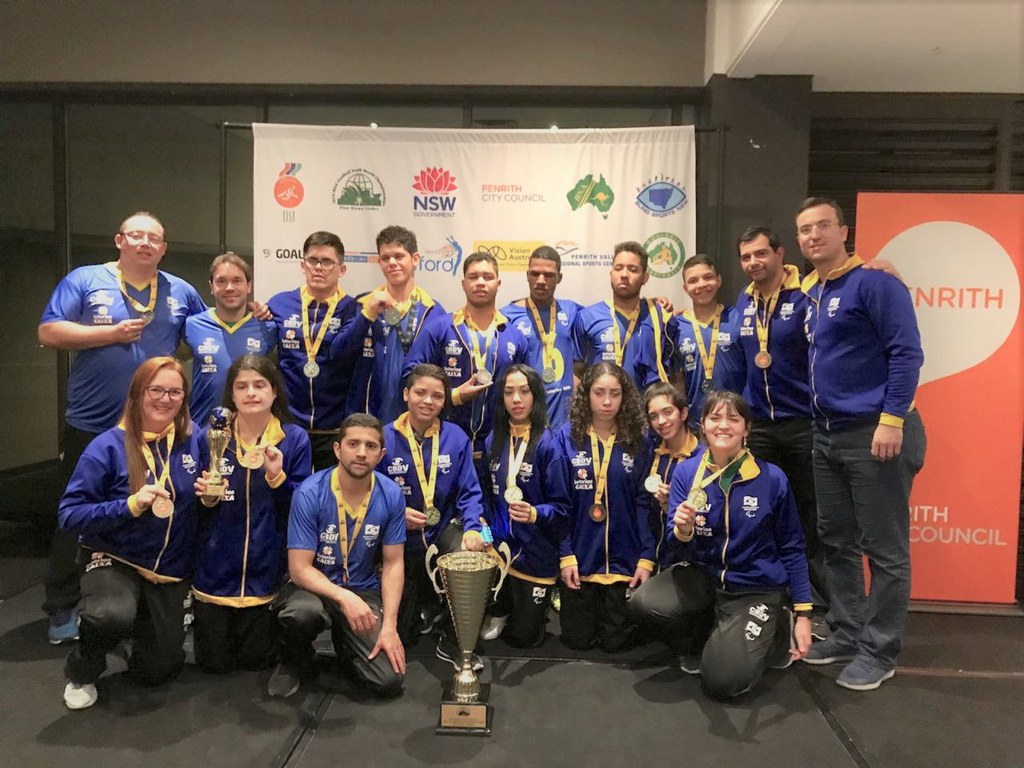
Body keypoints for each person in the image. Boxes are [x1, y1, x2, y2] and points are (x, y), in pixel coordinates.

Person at [38, 211, 207, 644]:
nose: (145, 243)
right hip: (94, 423)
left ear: (164, 248)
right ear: (119, 240)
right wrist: (109, 335)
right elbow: (49, 331)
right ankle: (61, 605)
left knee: (158, 505)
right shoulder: (86, 279)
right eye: (136, 235)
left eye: (155, 237)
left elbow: (208, 331)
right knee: (75, 513)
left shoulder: (180, 291)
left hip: (156, 425)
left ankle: (146, 596)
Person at [795, 197, 926, 691]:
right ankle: (848, 632)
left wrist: (891, 419)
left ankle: (880, 649)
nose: (813, 236)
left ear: (843, 230)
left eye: (822, 226)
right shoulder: (809, 289)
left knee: (885, 550)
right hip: (826, 434)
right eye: (805, 229)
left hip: (876, 433)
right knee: (837, 541)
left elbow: (907, 352)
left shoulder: (876, 282)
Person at [57, 357, 204, 710]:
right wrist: (128, 505)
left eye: (175, 392)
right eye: (156, 390)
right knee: (109, 615)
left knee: (158, 670)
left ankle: (134, 628)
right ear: (138, 393)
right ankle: (83, 668)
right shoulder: (106, 446)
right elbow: (69, 515)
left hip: (167, 570)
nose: (165, 399)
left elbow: (205, 490)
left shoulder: (194, 439)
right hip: (114, 559)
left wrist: (210, 495)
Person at [652, 390, 813, 700]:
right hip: (706, 580)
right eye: (715, 418)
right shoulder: (687, 473)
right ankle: (716, 633)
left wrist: (804, 612)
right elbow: (675, 550)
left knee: (722, 682)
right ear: (702, 426)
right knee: (647, 604)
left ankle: (778, 625)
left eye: (733, 419)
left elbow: (792, 546)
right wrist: (683, 530)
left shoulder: (772, 479)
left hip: (754, 588)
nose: (723, 426)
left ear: (747, 429)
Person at [271, 414, 406, 699]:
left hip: (363, 588)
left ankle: (348, 647)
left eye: (370, 446)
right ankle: (293, 661)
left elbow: (394, 563)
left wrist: (390, 627)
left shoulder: (391, 494)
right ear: (337, 449)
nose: (361, 453)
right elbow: (299, 569)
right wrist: (344, 598)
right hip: (313, 588)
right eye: (353, 443)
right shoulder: (309, 493)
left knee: (388, 681)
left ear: (381, 455)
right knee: (300, 615)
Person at [191, 354, 312, 673]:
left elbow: (302, 507)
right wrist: (206, 498)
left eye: (260, 385)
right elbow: (197, 501)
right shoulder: (210, 437)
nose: (251, 393)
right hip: (214, 572)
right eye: (242, 386)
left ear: (274, 391)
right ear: (231, 394)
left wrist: (277, 477)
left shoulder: (294, 439)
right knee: (213, 667)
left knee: (256, 663)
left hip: (265, 571)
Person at [734, 227, 826, 606]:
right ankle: (773, 594)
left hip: (803, 422)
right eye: (746, 257)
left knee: (812, 514)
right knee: (762, 509)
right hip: (761, 428)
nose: (753, 263)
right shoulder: (744, 300)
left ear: (779, 253)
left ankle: (817, 601)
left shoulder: (806, 294)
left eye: (760, 254)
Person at [379, 364, 487, 664]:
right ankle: (426, 611)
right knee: (405, 632)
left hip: (443, 531)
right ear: (406, 394)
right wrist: (395, 513)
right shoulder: (382, 438)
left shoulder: (456, 437)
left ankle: (456, 642)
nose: (428, 401)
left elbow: (470, 491)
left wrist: (473, 529)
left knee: (476, 553)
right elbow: (368, 494)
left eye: (437, 396)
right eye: (421, 393)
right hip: (399, 539)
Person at [554, 362, 657, 652]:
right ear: (586, 395)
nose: (607, 401)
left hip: (624, 561)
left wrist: (646, 558)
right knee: (577, 641)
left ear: (625, 397)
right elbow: (560, 503)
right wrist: (565, 556)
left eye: (615, 393)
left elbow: (643, 503)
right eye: (599, 393)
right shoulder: (567, 437)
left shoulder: (638, 438)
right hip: (580, 561)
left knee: (616, 644)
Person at [403, 250, 528, 457]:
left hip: (497, 447)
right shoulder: (440, 328)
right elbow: (410, 376)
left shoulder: (514, 336)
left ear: (498, 283)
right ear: (463, 284)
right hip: (442, 443)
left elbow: (527, 391)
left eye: (487, 277)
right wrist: (453, 396)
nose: (480, 282)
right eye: (473, 277)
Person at [482, 364, 571, 647]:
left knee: (524, 640)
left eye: (524, 391)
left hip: (535, 554)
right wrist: (484, 535)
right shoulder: (492, 440)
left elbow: (563, 507)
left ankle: (530, 608)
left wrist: (535, 513)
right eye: (509, 392)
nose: (517, 400)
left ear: (536, 397)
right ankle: (499, 608)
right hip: (497, 550)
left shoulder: (549, 445)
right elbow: (485, 498)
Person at [266, 231, 360, 470]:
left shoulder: (354, 309)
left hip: (335, 428)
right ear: (302, 264)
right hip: (289, 425)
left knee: (329, 499)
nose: (319, 268)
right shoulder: (279, 304)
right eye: (313, 260)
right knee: (286, 492)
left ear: (341, 269)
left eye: (327, 262)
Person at [347, 226, 445, 424]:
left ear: (415, 259)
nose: (392, 263)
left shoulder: (434, 311)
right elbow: (340, 354)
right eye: (385, 258)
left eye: (399, 256)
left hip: (414, 420)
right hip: (366, 416)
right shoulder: (362, 304)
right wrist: (368, 313)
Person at [185, 253, 278, 425]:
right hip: (201, 427)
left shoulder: (268, 328)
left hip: (252, 430)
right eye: (221, 281)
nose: (229, 288)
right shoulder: (191, 325)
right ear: (211, 286)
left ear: (249, 285)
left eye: (237, 281)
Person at [573, 241, 677, 392]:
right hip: (603, 409)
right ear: (611, 274)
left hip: (646, 410)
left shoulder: (660, 316)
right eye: (618, 268)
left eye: (633, 269)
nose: (624, 275)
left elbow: (674, 371)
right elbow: (577, 371)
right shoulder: (587, 317)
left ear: (645, 277)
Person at [501, 245, 582, 428]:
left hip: (565, 421)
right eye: (535, 274)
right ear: (527, 275)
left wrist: (651, 304)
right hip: (524, 417)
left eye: (549, 275)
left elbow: (609, 315)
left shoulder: (572, 310)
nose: (541, 280)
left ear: (559, 278)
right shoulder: (506, 317)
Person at [670, 254, 745, 428]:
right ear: (685, 287)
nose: (701, 285)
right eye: (693, 280)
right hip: (695, 424)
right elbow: (676, 379)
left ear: (719, 280)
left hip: (735, 421)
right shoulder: (676, 326)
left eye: (708, 277)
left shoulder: (737, 317)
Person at [639, 382, 701, 570]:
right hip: (651, 556)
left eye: (668, 412)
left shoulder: (703, 458)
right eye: (654, 416)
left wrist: (671, 505)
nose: (662, 421)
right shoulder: (649, 453)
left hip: (690, 559)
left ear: (683, 413)